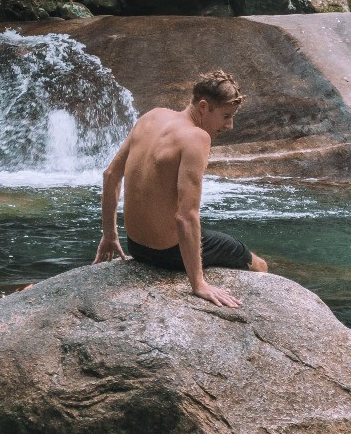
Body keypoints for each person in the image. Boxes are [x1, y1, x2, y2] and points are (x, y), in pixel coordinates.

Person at [93, 69, 268, 307]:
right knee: (260, 265)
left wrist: (110, 235)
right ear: (204, 107)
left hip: (136, 247)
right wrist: (198, 284)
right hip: (167, 253)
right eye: (226, 116)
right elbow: (186, 216)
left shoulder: (152, 116)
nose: (230, 125)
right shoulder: (196, 137)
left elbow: (111, 175)